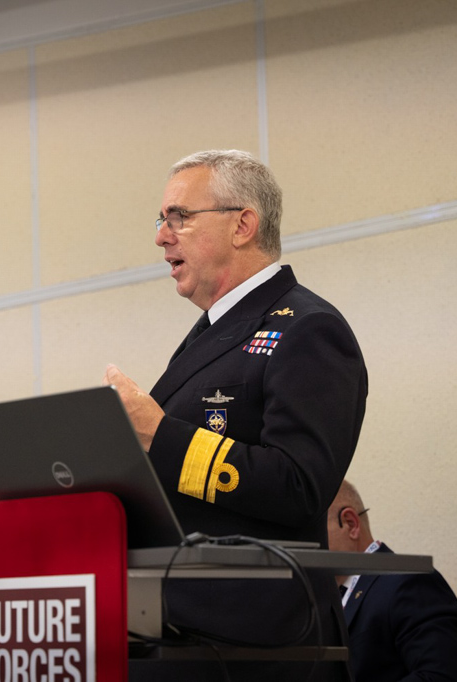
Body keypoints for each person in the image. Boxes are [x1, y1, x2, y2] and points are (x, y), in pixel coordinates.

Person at [106, 149, 367, 680]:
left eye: (179, 217)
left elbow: (299, 485)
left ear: (243, 225)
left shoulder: (307, 328)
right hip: (185, 630)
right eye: (161, 220)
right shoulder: (213, 333)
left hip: (264, 644)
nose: (162, 236)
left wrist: (159, 434)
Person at [327, 480, 457, 682]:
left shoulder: (410, 582)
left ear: (350, 524)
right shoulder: (325, 597)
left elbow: (441, 675)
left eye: (311, 529)